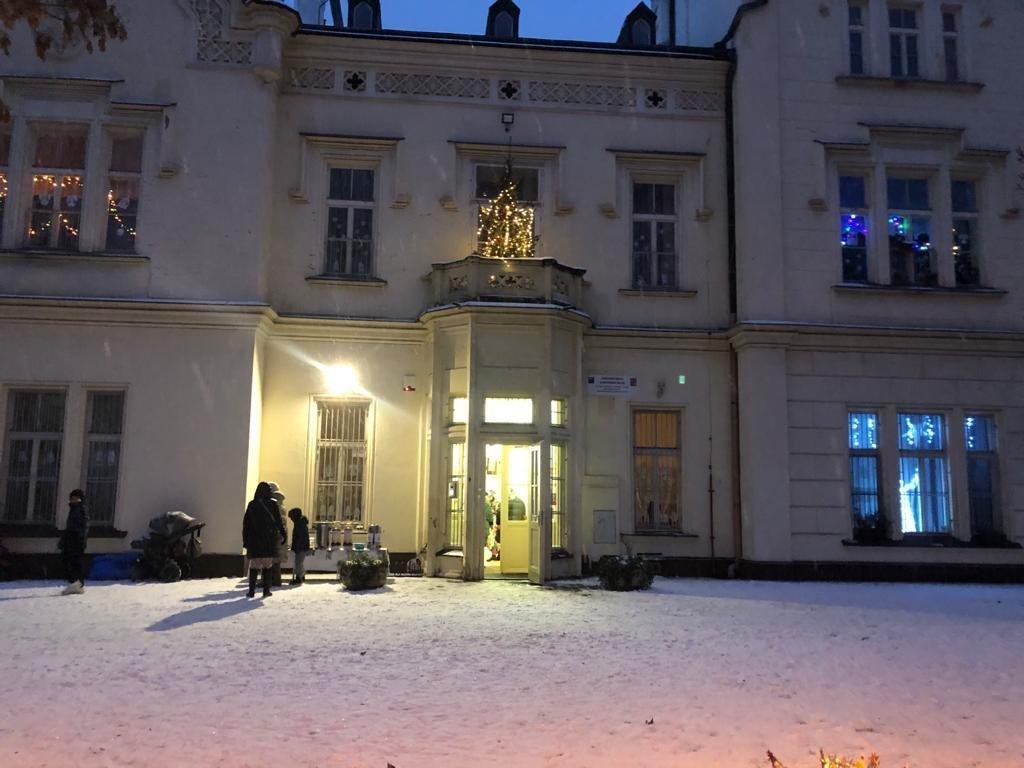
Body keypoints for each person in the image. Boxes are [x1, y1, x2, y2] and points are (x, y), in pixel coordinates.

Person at [242, 482, 283, 598]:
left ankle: (251, 591)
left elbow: (246, 524)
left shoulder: (252, 504)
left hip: (254, 539)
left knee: (254, 565)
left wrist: (245, 540)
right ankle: (266, 590)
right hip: (268, 539)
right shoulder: (273, 504)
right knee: (267, 565)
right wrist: (283, 534)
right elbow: (278, 521)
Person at [59, 489, 89, 595]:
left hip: (76, 540)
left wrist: (77, 537)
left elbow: (82, 526)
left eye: (75, 498)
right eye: (72, 498)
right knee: (69, 561)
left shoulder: (80, 510)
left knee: (75, 562)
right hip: (72, 539)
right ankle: (76, 583)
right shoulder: (74, 509)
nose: (73, 500)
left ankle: (77, 583)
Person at [266, 481, 288, 587]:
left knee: (272, 559)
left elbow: (275, 521)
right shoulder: (280, 504)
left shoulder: (274, 504)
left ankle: (273, 581)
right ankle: (274, 580)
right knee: (275, 560)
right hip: (279, 536)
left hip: (275, 536)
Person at [288, 508, 311, 585]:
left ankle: (299, 578)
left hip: (301, 546)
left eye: (291, 517)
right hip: (302, 546)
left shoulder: (299, 524)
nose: (291, 519)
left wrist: (296, 547)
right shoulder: (301, 523)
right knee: (300, 562)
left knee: (298, 563)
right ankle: (302, 576)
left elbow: (298, 537)